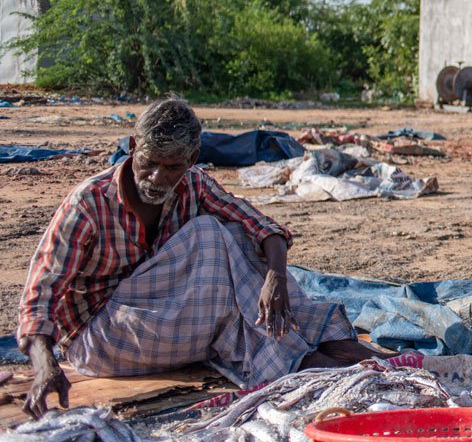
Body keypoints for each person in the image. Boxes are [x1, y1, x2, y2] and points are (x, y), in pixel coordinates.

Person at [17, 98, 378, 418]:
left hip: (159, 316)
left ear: (191, 160)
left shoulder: (194, 183)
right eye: (149, 163)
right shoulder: (89, 204)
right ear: (131, 148)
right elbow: (40, 290)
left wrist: (276, 278)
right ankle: (298, 355)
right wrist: (45, 363)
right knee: (209, 236)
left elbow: (263, 226)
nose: (157, 178)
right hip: (99, 339)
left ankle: (301, 347)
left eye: (171, 167)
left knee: (239, 237)